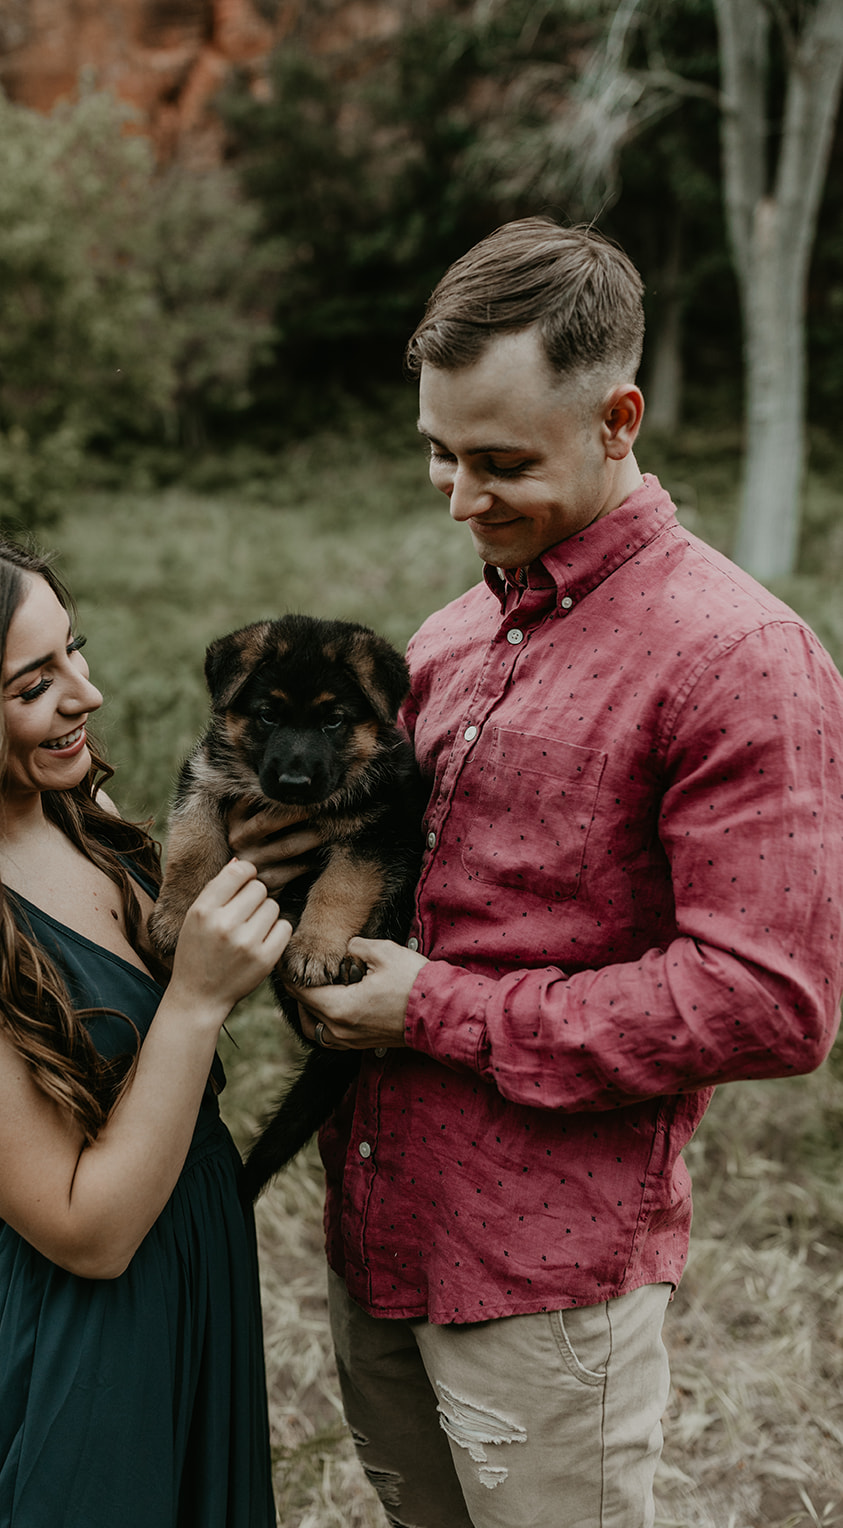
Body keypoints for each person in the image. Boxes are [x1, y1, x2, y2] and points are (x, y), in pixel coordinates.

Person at [282, 218, 843, 1527]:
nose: (461, 498)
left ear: (616, 417)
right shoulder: (450, 633)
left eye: (498, 462)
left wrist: (430, 1007)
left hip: (545, 1280)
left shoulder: (736, 659)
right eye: (436, 452)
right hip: (377, 1241)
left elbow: (766, 1000)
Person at [0, 521, 292, 1528]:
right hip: (78, 1339)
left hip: (188, 1274)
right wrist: (197, 999)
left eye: (73, 649)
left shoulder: (69, 808)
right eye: (32, 685)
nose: (86, 694)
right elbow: (88, 1230)